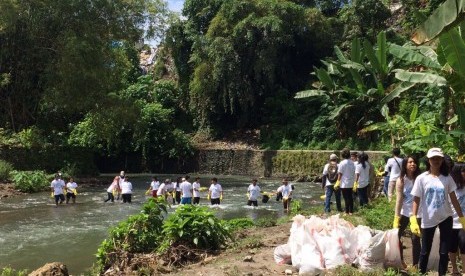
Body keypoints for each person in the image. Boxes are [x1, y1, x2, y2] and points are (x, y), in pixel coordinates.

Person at [410, 147, 465, 276]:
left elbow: (454, 199)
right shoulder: (421, 178)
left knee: (443, 251)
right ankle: (421, 273)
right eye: (433, 158)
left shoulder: (447, 178)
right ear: (428, 160)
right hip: (428, 219)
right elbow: (416, 199)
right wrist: (413, 218)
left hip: (446, 217)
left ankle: (442, 274)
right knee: (425, 251)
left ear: (441, 160)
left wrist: (462, 218)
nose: (436, 161)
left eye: (438, 158)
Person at [392, 155, 422, 268]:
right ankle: (401, 261)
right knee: (396, 236)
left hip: (418, 213)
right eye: (410, 162)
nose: (412, 164)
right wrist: (396, 217)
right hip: (404, 212)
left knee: (415, 238)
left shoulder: (420, 178)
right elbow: (399, 200)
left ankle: (415, 265)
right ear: (405, 164)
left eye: (414, 162)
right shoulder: (401, 180)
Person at [449, 166, 465, 275]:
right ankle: (454, 269)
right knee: (452, 247)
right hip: (451, 222)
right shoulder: (451, 188)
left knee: (464, 246)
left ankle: (464, 270)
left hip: (463, 223)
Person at [334, 148, 355, 215]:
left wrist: (337, 182)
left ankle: (346, 212)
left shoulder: (342, 163)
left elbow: (340, 174)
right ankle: (351, 211)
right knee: (350, 197)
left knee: (346, 198)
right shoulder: (352, 163)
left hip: (344, 183)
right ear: (349, 155)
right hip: (351, 182)